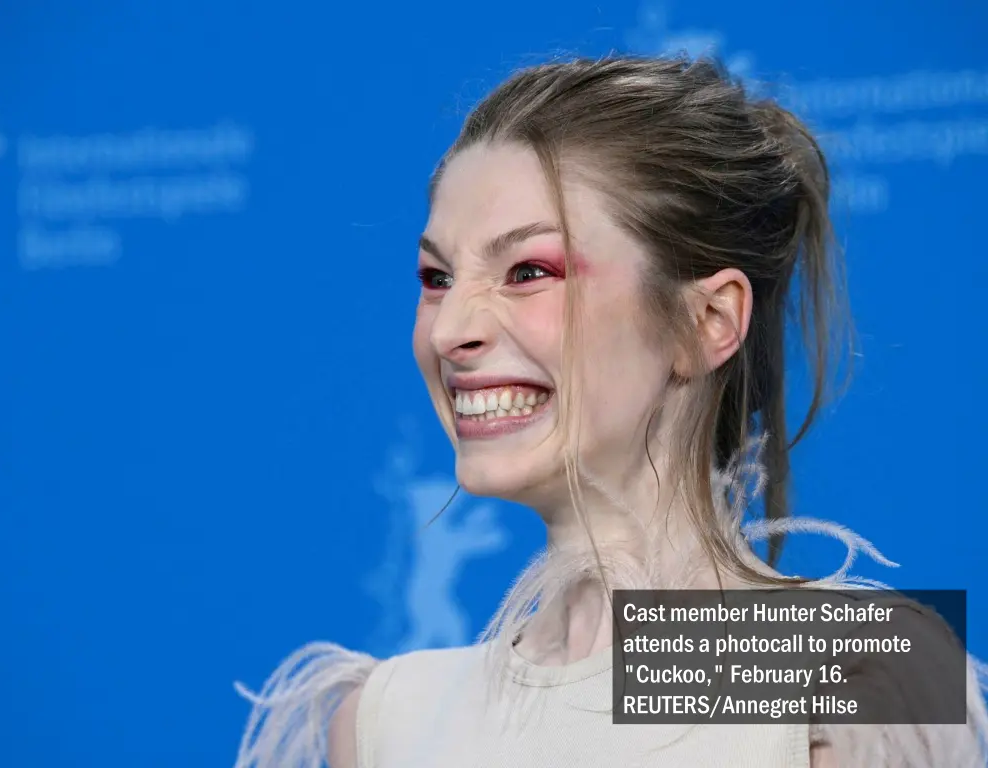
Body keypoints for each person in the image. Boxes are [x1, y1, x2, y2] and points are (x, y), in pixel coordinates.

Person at [234, 55, 988, 767]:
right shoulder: (386, 719)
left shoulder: (847, 675)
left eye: (528, 271)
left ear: (708, 321)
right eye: (436, 277)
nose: (448, 329)